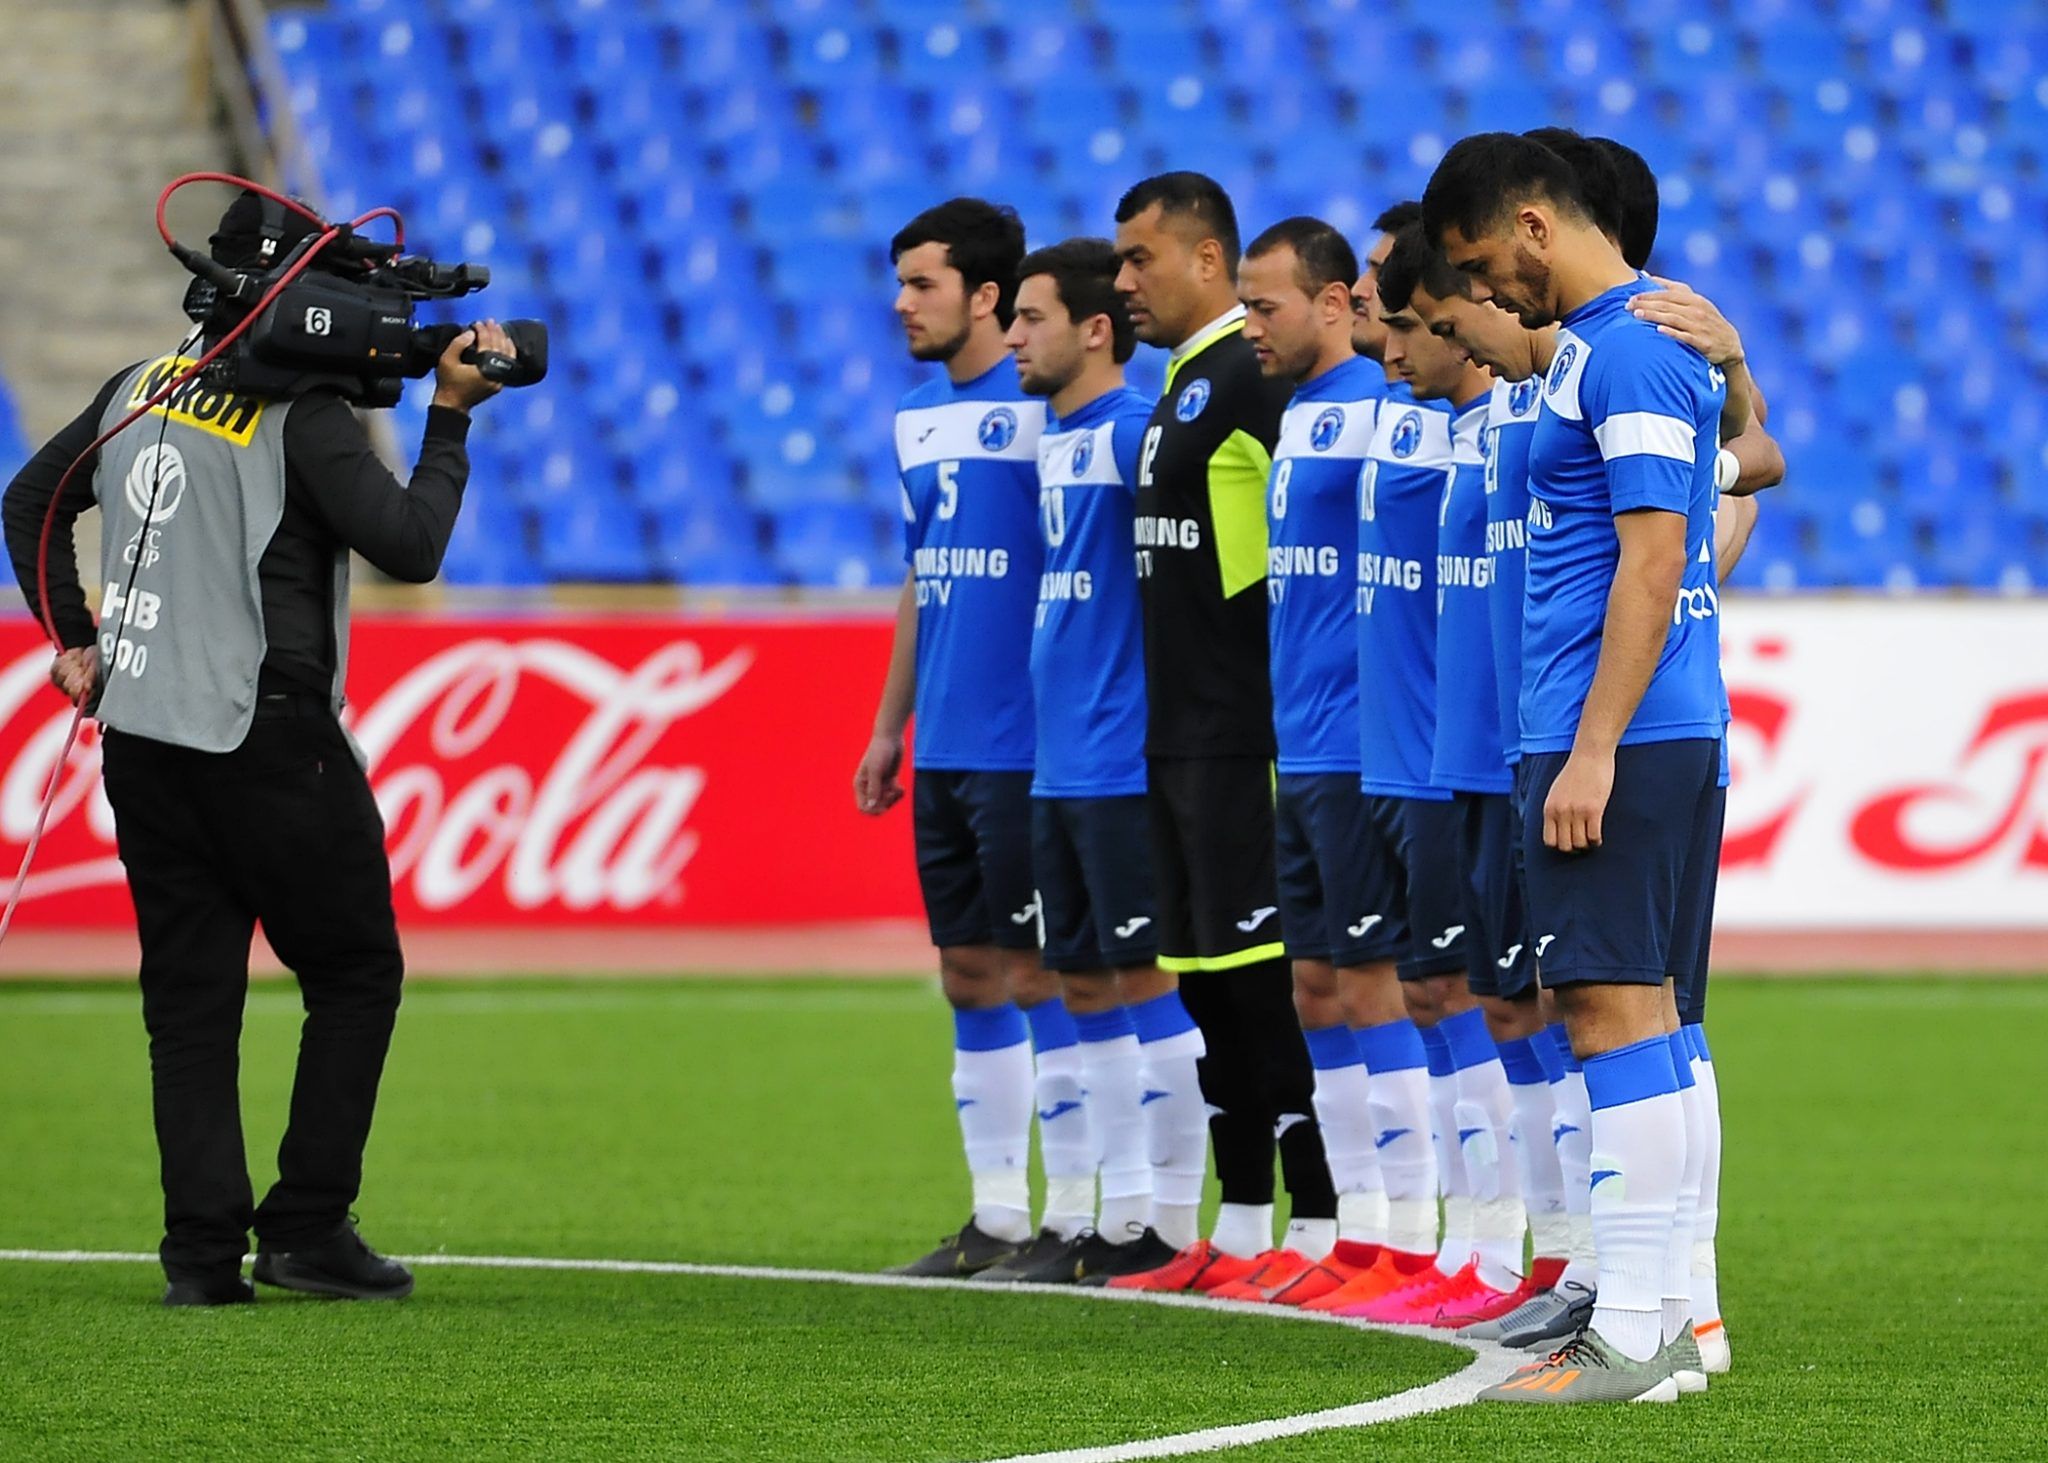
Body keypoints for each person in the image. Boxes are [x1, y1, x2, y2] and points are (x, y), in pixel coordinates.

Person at [0, 188, 514, 1306]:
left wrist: (76, 640)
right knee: (354, 970)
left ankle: (198, 1259)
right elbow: (412, 546)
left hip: (143, 745)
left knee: (188, 1007)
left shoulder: (140, 385)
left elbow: (30, 498)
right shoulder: (304, 416)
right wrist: (455, 417)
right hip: (268, 739)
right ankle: (307, 1226)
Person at [1426, 132, 1729, 1404]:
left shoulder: (1632, 351)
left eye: (1483, 261)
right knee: (1640, 1021)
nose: (1489, 292)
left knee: (1612, 1016)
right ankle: (1666, 1329)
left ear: (1534, 223)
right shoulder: (1603, 352)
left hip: (1623, 730)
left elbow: (1655, 558)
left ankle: (1638, 1329)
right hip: (1610, 725)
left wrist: (1592, 743)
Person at [1103, 172, 1337, 1292]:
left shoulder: (1250, 378)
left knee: (1257, 979)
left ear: (1206, 262)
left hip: (1244, 731)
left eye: (1139, 259)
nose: (1121, 281)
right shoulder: (1184, 387)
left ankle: (1323, 1219)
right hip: (1176, 732)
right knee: (1201, 979)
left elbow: (1283, 571)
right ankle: (1239, 1218)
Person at [977, 237, 1205, 1285]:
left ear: (1094, 328)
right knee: (1074, 983)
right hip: (1055, 761)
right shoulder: (1057, 438)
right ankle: (1098, 1217)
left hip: (1119, 761)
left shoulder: (1133, 436)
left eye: (1028, 319)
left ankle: (1161, 1216)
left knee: (1140, 980)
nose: (1012, 337)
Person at [855, 198, 1074, 1279]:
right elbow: (920, 573)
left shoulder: (1046, 409)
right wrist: (888, 724)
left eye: (922, 284)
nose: (900, 303)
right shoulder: (910, 417)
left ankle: (1074, 1215)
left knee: (1042, 971)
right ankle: (993, 1214)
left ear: (986, 296)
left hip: (1029, 744)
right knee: (965, 971)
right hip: (940, 744)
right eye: (899, 283)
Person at [1337, 224, 1523, 1329]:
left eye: (1402, 311)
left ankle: (1506, 1249)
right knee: (1438, 993)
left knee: (1498, 1000)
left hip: (1468, 757)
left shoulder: (1496, 426)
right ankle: (1469, 1239)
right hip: (1409, 752)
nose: (1388, 327)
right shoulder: (1412, 423)